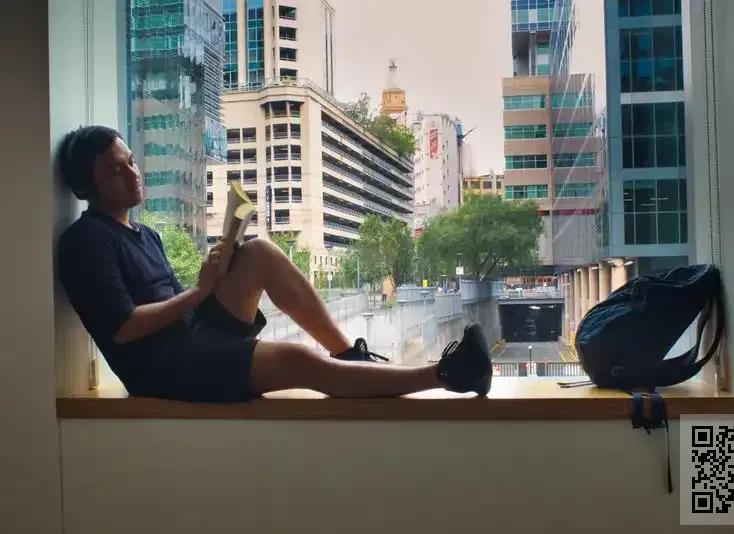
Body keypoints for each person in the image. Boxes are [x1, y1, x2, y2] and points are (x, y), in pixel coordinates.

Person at [54, 125, 493, 403]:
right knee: (297, 359)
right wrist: (200, 291)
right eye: (115, 171)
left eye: (131, 162)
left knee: (260, 253)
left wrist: (217, 273)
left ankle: (350, 355)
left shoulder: (144, 233)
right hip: (167, 370)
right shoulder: (85, 241)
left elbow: (173, 302)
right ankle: (448, 375)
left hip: (192, 334)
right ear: (87, 187)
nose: (133, 175)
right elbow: (124, 327)